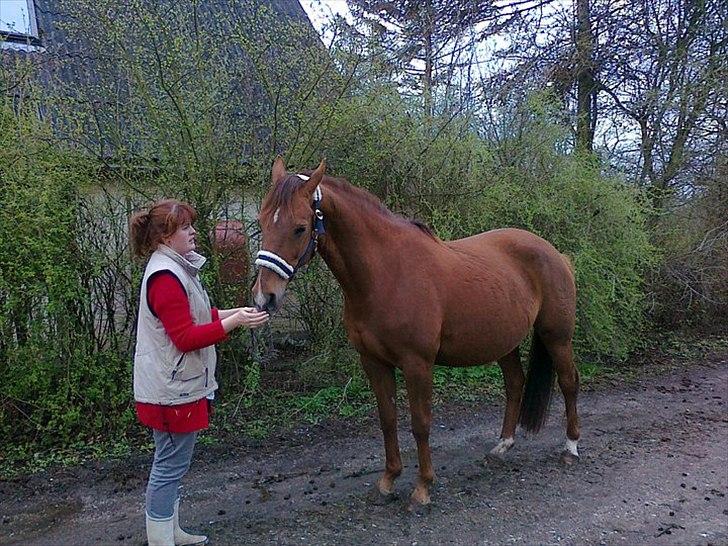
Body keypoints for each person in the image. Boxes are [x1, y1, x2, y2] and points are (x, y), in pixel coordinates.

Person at [129, 199, 269, 546]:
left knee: (173, 464)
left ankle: (170, 531)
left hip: (175, 387)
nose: (194, 232)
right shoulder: (165, 277)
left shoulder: (175, 269)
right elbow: (185, 337)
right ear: (165, 235)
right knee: (168, 467)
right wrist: (236, 322)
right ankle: (161, 539)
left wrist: (234, 311)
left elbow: (195, 315)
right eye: (186, 227)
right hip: (170, 391)